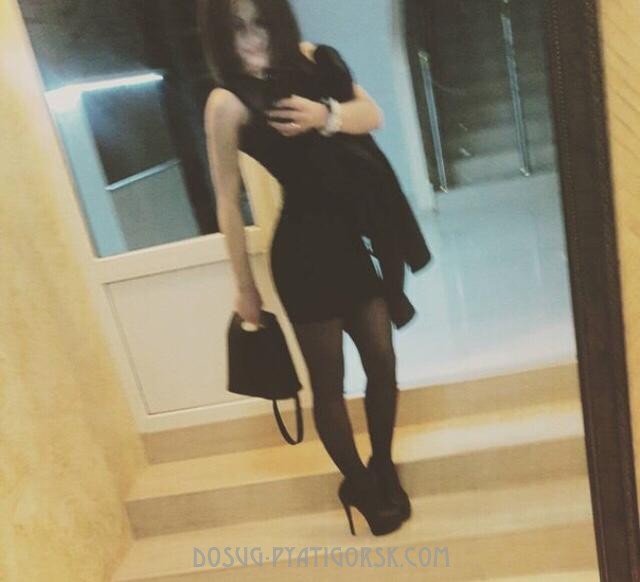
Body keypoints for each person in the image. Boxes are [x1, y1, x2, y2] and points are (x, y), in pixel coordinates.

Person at [198, 0, 417, 536]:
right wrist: (244, 288)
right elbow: (227, 201)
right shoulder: (227, 102)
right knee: (329, 383)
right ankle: (358, 483)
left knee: (382, 359)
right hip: (300, 254)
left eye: (259, 23)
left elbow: (372, 115)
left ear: (276, 19)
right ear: (221, 36)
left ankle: (383, 464)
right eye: (236, 29)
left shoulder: (313, 60)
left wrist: (325, 117)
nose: (251, 39)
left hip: (350, 243)